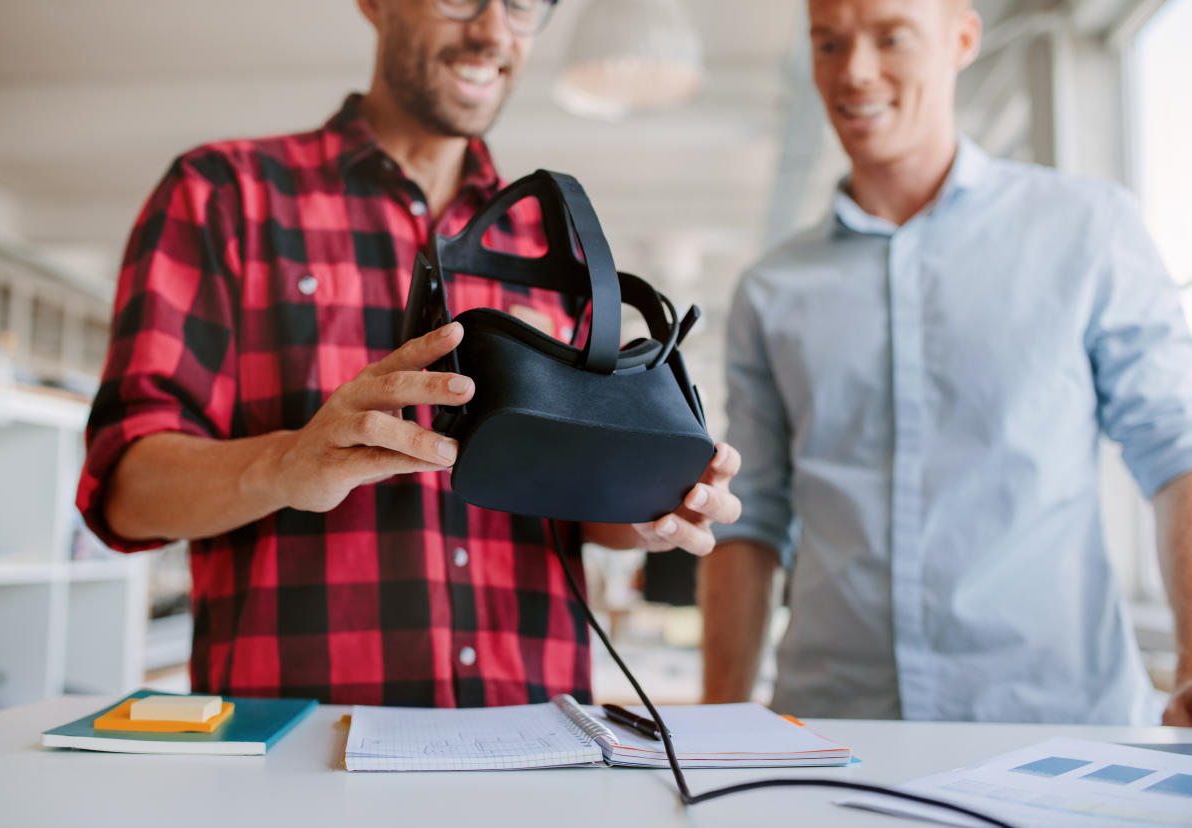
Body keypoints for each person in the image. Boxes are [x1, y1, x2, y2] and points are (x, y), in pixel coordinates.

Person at [77, 0, 741, 707]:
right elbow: (124, 490)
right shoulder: (224, 196)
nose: (492, 31)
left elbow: (574, 512)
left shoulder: (559, 252)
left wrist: (647, 505)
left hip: (535, 736)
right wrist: (284, 463)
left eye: (521, 5)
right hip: (299, 752)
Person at [699, 0, 1192, 726]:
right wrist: (717, 725)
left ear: (962, 38)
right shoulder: (772, 290)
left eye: (891, 37)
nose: (854, 71)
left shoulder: (1088, 230)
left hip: (1057, 729)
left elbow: (1176, 452)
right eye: (828, 43)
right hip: (835, 732)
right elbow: (748, 516)